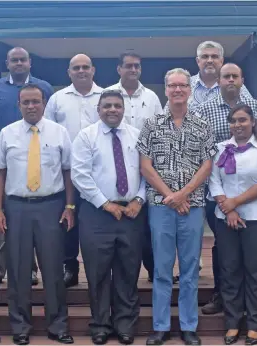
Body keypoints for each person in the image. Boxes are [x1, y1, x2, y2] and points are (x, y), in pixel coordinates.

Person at [137, 68, 217, 346]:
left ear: (189, 89)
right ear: (166, 89)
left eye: (183, 85)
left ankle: (188, 325)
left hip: (192, 207)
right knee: (161, 268)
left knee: (190, 267)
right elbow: (145, 166)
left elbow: (207, 165)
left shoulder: (202, 124)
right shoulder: (151, 124)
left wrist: (183, 195)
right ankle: (160, 326)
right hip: (161, 206)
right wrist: (171, 196)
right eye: (173, 85)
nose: (178, 90)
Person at [0, 84, 75, 345]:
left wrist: (70, 206)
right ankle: (20, 327)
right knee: (17, 269)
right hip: (16, 207)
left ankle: (57, 325)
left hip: (51, 205)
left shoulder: (60, 132)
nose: (31, 106)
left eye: (36, 102)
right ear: (19, 104)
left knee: (53, 268)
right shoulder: (6, 134)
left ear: (44, 103)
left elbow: (68, 172)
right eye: (26, 102)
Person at [71, 89, 146, 345]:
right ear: (98, 109)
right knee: (98, 271)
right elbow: (80, 175)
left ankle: (125, 323)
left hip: (131, 213)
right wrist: (105, 204)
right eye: (107, 106)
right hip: (97, 213)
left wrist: (139, 199)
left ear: (123, 108)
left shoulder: (137, 136)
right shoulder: (86, 136)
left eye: (116, 105)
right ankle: (100, 325)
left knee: (128, 270)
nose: (112, 110)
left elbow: (148, 172)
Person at [197, 63, 257, 315]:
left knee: (251, 251)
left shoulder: (256, 107)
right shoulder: (203, 110)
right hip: (218, 193)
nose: (230, 80)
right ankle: (221, 295)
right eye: (225, 76)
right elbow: (203, 152)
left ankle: (251, 300)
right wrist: (224, 203)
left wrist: (236, 202)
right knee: (223, 246)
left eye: (234, 76)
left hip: (250, 195)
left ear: (241, 79)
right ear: (219, 79)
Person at [0, 47, 53, 285]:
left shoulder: (44, 87)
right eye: (15, 60)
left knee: (35, 218)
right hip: (7, 156)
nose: (19, 63)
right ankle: (4, 268)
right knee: (8, 218)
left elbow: (48, 122)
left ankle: (32, 269)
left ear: (30, 62)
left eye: (23, 59)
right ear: (7, 63)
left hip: (37, 158)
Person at [209, 104, 257, 346]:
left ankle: (255, 323)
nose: (237, 125)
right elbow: (213, 181)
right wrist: (229, 209)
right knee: (230, 271)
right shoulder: (220, 149)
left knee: (256, 272)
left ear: (253, 122)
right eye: (233, 121)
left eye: (242, 120)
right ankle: (232, 322)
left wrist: (234, 203)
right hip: (226, 219)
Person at [44, 53, 103, 288]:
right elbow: (46, 131)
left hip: (98, 173)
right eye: (76, 68)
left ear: (93, 70)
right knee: (67, 221)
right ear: (69, 72)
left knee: (94, 222)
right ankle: (69, 266)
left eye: (85, 67)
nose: (81, 71)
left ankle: (98, 267)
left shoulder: (105, 96)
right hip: (65, 172)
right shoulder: (57, 99)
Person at [106, 52, 165, 284]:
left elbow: (160, 130)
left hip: (146, 166)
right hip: (117, 163)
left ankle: (153, 269)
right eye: (128, 66)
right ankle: (119, 272)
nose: (133, 70)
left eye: (137, 66)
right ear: (119, 69)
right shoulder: (108, 93)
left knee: (149, 225)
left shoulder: (151, 97)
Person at [189, 41, 252, 111]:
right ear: (198, 61)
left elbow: (251, 109)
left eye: (214, 56)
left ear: (221, 61)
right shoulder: (186, 84)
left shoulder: (234, 85)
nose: (209, 60)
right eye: (205, 56)